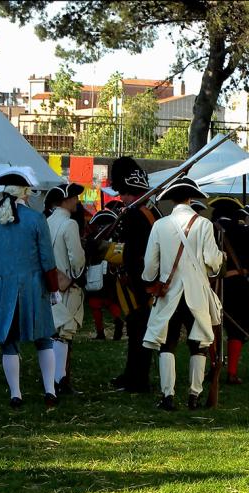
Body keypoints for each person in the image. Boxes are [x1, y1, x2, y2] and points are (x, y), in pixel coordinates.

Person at [142, 177, 224, 411]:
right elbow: (212, 260)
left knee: (167, 344)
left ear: (172, 200)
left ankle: (168, 397)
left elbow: (150, 264)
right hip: (197, 294)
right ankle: (194, 396)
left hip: (169, 294)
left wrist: (151, 282)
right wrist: (219, 262)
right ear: (191, 198)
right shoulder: (204, 225)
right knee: (198, 344)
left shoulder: (160, 225)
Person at [0, 169, 61, 409]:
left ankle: (15, 394)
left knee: (9, 342)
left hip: (3, 289)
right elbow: (47, 259)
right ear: (26, 193)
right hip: (34, 289)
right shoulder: (37, 220)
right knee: (44, 339)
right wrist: (54, 288)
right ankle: (50, 390)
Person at [107, 157, 158, 393]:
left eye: (125, 193)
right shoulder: (142, 212)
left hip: (140, 279)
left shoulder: (140, 214)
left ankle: (139, 379)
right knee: (134, 327)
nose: (122, 197)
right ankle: (131, 374)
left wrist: (108, 253)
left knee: (140, 329)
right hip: (135, 277)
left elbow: (133, 251)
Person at [208, 196, 249, 384]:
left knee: (210, 328)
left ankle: (213, 367)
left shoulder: (206, 231)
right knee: (236, 329)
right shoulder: (247, 232)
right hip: (237, 285)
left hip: (210, 286)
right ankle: (231, 373)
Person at [45, 182, 87, 395]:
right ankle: (59, 380)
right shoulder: (70, 225)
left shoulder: (47, 221)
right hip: (67, 285)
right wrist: (77, 275)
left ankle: (55, 379)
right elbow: (77, 258)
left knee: (55, 332)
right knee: (64, 333)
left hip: (50, 284)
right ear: (66, 200)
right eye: (74, 198)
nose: (77, 202)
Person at [83, 209, 124, 341]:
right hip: (112, 274)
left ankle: (100, 332)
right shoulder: (117, 236)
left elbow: (88, 253)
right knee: (111, 301)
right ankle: (117, 319)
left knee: (95, 303)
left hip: (96, 271)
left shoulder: (94, 238)